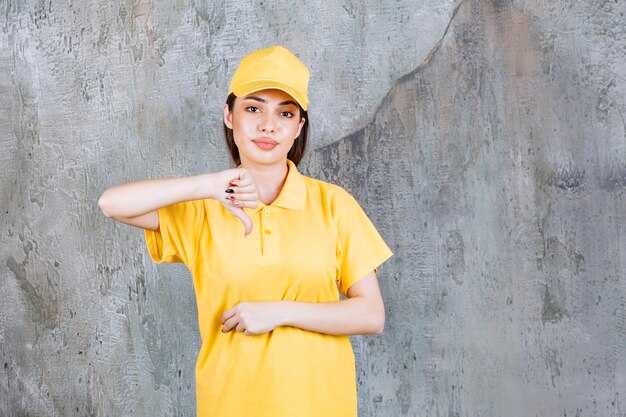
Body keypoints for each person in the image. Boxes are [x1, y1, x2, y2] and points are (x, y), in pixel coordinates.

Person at [98, 44, 394, 417]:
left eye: (285, 113)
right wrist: (209, 186)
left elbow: (371, 315)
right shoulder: (203, 210)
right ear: (229, 115)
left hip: (321, 405)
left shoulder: (334, 205)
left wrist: (279, 312)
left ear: (298, 126)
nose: (268, 125)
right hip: (230, 405)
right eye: (253, 108)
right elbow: (111, 204)